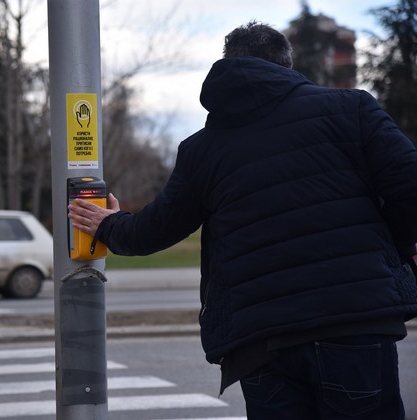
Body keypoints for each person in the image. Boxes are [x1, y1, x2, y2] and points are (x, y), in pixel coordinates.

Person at [68, 21, 417, 419]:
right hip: (354, 323)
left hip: (261, 342)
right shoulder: (352, 109)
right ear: (287, 66)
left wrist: (107, 224)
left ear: (228, 65)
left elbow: (155, 229)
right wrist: (399, 250)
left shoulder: (202, 150)